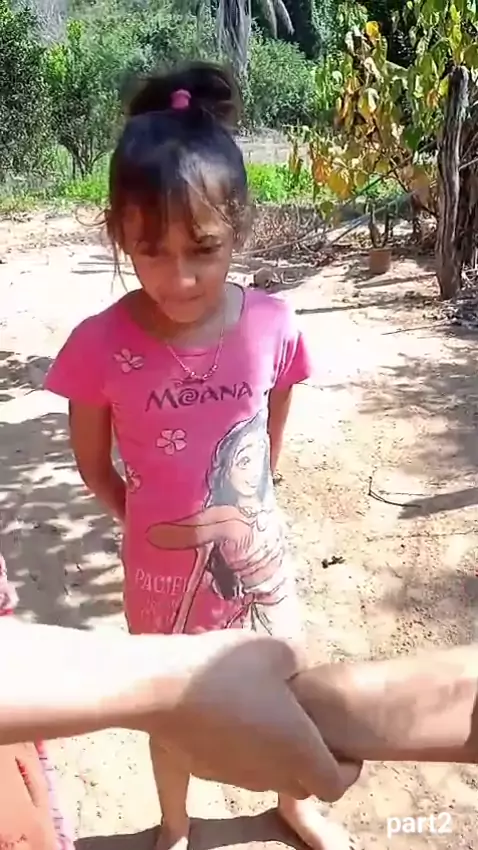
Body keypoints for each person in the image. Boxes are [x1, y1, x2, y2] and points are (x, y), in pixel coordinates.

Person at [44, 60, 335, 850]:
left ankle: (296, 802)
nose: (179, 278)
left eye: (203, 249)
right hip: (158, 581)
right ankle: (174, 823)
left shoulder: (272, 324)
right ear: (119, 235)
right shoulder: (97, 346)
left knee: (283, 686)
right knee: (170, 708)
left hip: (259, 567)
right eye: (151, 251)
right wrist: (143, 520)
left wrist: (257, 494)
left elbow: (273, 414)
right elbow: (93, 465)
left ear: (240, 228)